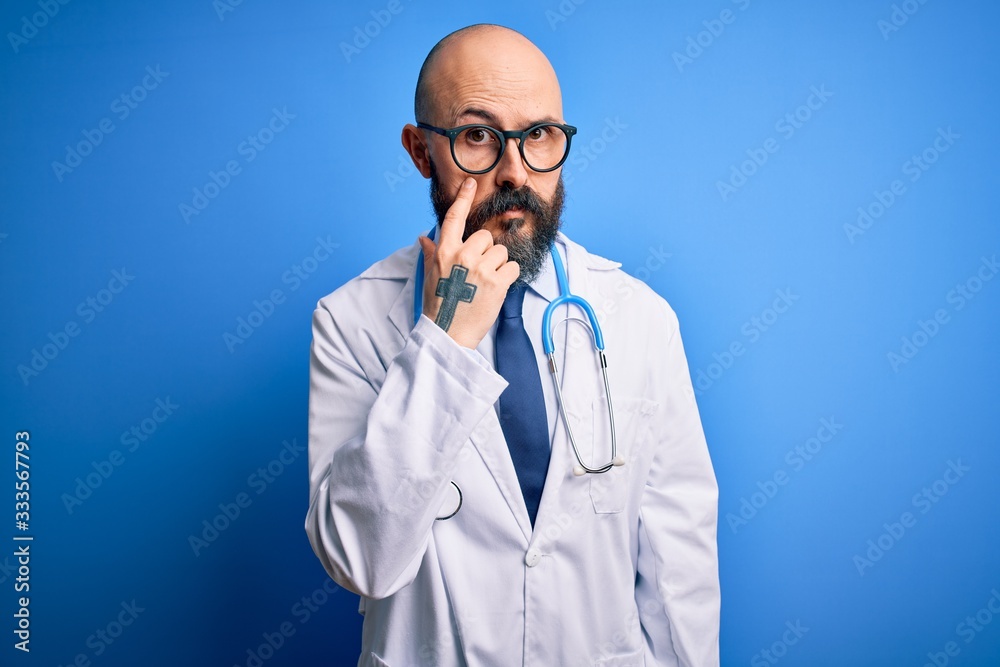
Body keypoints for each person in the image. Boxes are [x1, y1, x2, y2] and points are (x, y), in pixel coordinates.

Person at [305, 23, 719, 667]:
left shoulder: (640, 318)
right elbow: (361, 560)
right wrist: (444, 342)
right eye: (478, 136)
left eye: (539, 135)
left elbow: (679, 569)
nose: (516, 171)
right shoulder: (351, 321)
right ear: (420, 151)